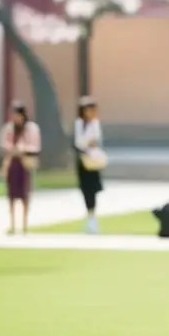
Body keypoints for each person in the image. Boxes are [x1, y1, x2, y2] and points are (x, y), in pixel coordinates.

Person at [0, 100, 41, 235]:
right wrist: (13, 150)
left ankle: (24, 223)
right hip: (12, 163)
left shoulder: (31, 128)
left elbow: (35, 146)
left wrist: (23, 149)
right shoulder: (8, 129)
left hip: (25, 163)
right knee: (11, 195)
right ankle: (12, 223)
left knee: (25, 194)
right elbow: (4, 144)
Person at [74, 96, 106, 234]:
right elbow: (79, 142)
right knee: (84, 188)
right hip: (82, 160)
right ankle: (89, 216)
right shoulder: (79, 123)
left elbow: (94, 140)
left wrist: (86, 143)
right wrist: (86, 143)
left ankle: (93, 218)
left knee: (93, 189)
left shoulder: (95, 124)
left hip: (92, 159)